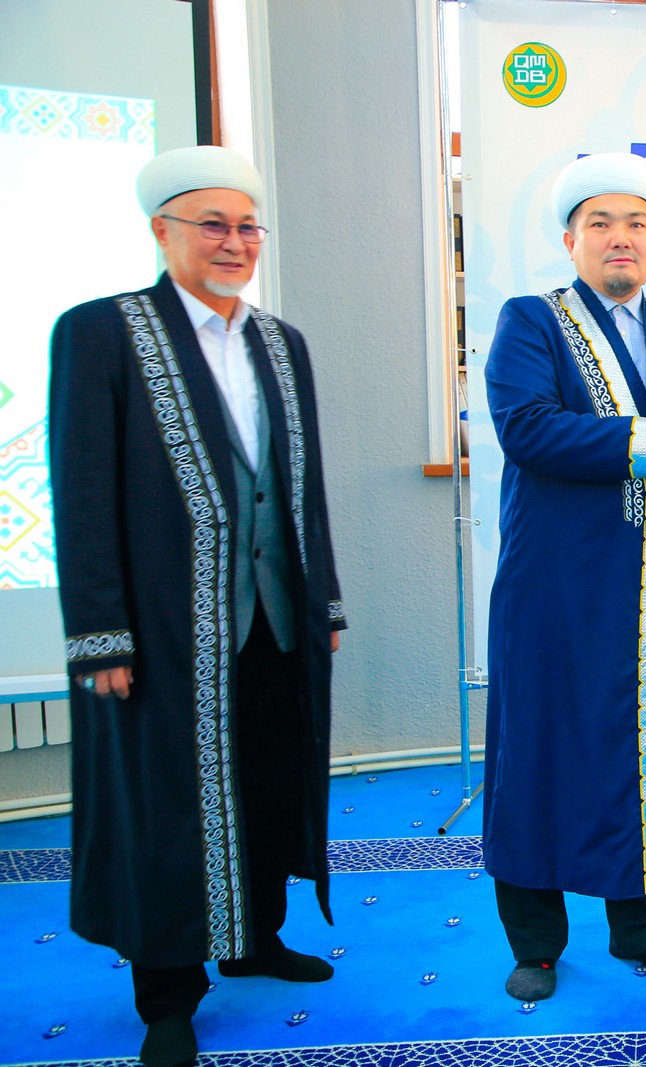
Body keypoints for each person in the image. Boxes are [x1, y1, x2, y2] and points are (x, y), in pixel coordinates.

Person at [50, 145, 346, 1067]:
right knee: (169, 805)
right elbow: (81, 488)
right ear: (161, 230)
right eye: (212, 224)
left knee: (268, 778)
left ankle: (255, 939)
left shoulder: (280, 342)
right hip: (164, 626)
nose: (234, 241)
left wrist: (325, 602)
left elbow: (301, 488)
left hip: (275, 617)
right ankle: (169, 993)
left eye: (248, 226)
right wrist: (100, 633)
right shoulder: (101, 331)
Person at [480, 152, 646, 1002]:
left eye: (636, 223)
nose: (620, 238)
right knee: (540, 753)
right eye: (600, 223)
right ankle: (536, 943)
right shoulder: (531, 321)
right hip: (552, 591)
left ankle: (639, 926)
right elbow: (527, 429)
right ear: (571, 240)